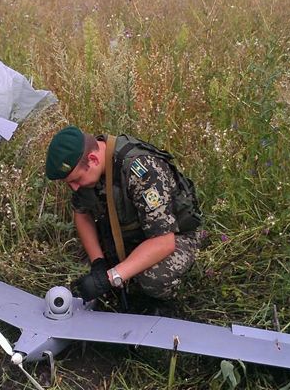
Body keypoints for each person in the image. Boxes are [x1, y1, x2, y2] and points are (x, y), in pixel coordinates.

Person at [45, 126, 202, 306]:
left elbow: (163, 242)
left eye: (76, 180)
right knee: (80, 276)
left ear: (93, 159)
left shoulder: (142, 171)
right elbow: (82, 213)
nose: (74, 187)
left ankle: (168, 304)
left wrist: (111, 278)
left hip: (173, 237)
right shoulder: (87, 169)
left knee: (153, 278)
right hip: (128, 234)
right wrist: (98, 263)